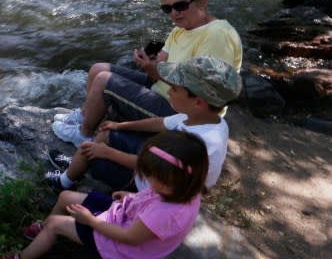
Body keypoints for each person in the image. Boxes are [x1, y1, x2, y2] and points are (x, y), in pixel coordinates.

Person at [53, 0, 242, 147]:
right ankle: (86, 116)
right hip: (164, 90)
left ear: (203, 1)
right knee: (97, 69)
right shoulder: (180, 29)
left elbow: (203, 93)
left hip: (183, 112)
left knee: (104, 80)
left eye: (180, 6)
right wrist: (149, 64)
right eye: (167, 8)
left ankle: (83, 134)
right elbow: (160, 66)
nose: (173, 14)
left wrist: (152, 70)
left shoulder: (217, 36)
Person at [0, 131, 208, 259]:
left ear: (176, 182)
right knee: (67, 196)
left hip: (122, 248)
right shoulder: (182, 189)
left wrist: (91, 221)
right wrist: (131, 198)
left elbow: (128, 237)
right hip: (122, 217)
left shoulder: (165, 212)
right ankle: (42, 232)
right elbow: (152, 198)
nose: (149, 182)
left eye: (155, 180)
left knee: (55, 224)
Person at [45, 55, 241, 193]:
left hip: (156, 189)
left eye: (173, 88)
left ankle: (64, 182)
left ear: (199, 102)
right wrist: (121, 126)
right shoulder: (201, 118)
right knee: (105, 135)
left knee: (90, 148)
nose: (169, 91)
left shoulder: (198, 142)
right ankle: (78, 167)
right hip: (161, 170)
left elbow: (149, 165)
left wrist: (107, 153)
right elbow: (160, 123)